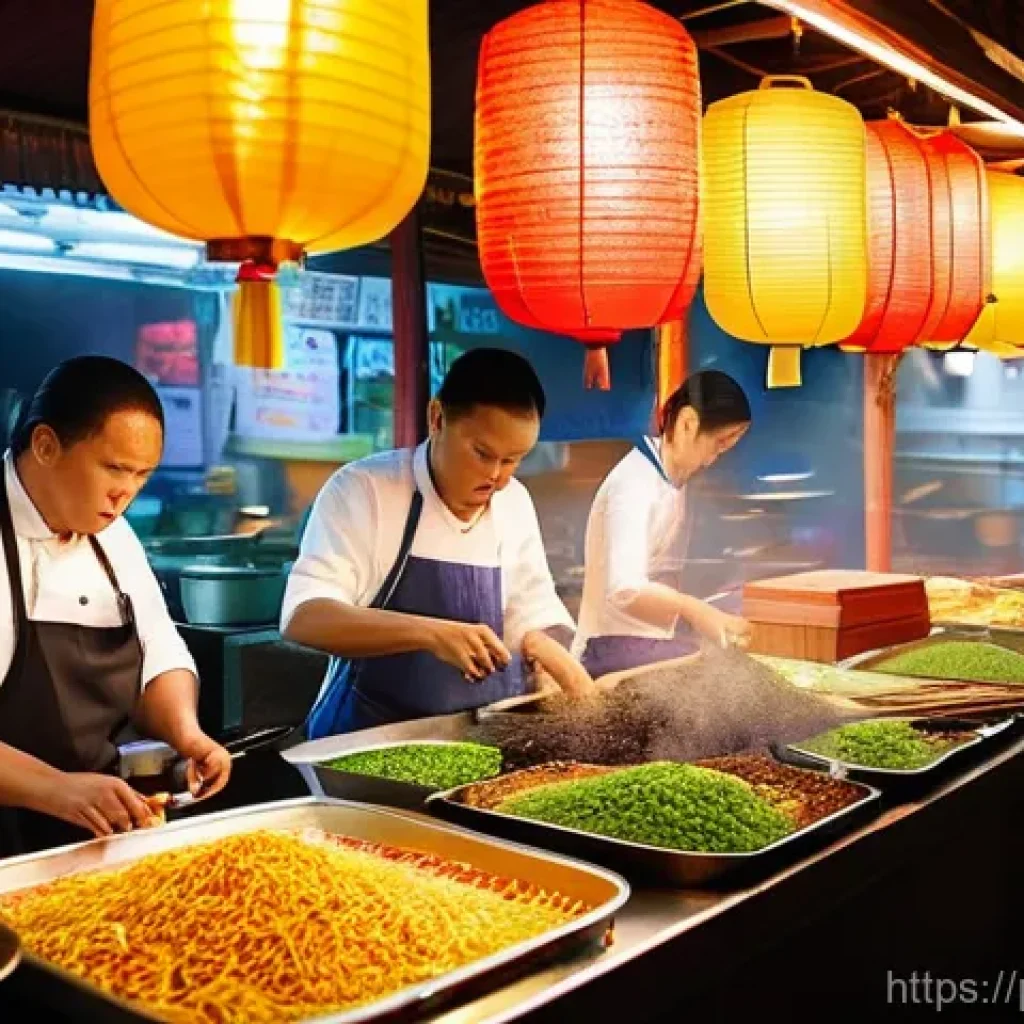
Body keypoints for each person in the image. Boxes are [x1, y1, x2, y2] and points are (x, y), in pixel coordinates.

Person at [283, 348, 594, 736]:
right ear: (437, 418)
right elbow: (304, 618)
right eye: (482, 454)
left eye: (514, 460)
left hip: (479, 739)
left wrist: (542, 647)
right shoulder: (364, 490)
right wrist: (431, 633)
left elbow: (528, 608)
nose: (497, 476)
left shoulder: (514, 501)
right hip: (368, 742)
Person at [0, 357, 231, 855]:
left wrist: (190, 738)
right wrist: (57, 789)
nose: (125, 493)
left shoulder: (114, 534)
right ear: (45, 445)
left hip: (92, 831)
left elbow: (158, 652)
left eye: (142, 477)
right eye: (115, 469)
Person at [573, 370, 753, 677]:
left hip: (650, 645)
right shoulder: (633, 482)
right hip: (606, 652)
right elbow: (624, 589)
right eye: (718, 444)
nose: (715, 458)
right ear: (687, 424)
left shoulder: (672, 481)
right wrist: (697, 612)